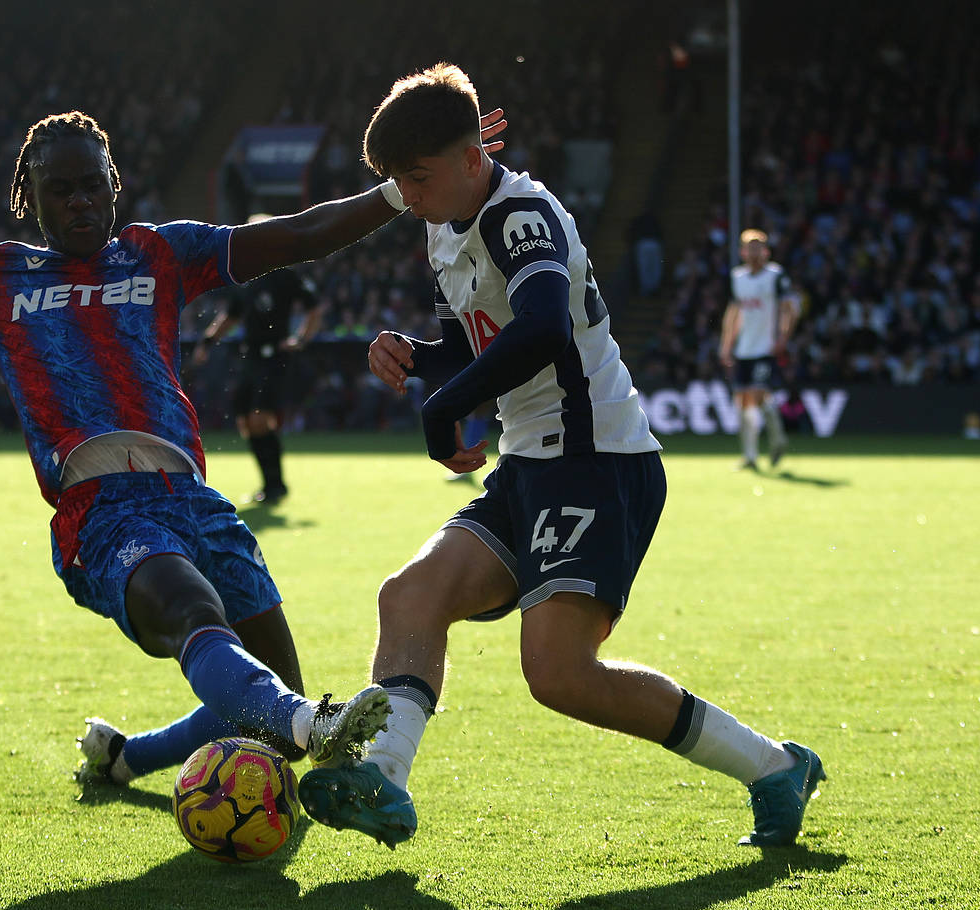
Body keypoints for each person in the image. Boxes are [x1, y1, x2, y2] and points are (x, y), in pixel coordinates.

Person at [0, 109, 497, 786]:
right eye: (59, 189)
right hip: (99, 509)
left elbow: (297, 234)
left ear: (115, 187)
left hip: (194, 501)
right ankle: (313, 718)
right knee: (196, 615)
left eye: (91, 186)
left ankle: (129, 757)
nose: (78, 202)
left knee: (264, 712)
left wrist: (399, 192)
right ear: (28, 198)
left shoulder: (160, 254)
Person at [296, 64, 825, 850]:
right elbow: (486, 336)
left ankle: (774, 766)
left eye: (418, 176)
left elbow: (543, 326)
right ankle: (385, 777)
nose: (407, 195)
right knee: (409, 596)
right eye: (397, 181)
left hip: (597, 458)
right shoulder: (446, 224)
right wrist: (421, 356)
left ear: (472, 157)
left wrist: (445, 406)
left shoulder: (521, 214)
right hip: (532, 462)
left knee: (560, 675)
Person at [191, 240, 324, 506]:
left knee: (260, 418)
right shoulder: (245, 279)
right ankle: (269, 484)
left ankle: (276, 485)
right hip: (249, 357)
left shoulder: (284, 276)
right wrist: (207, 341)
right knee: (245, 423)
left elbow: (315, 307)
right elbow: (230, 316)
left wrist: (300, 339)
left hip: (273, 356)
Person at [718, 229, 798, 469]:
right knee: (742, 401)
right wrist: (726, 345)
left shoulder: (775, 276)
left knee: (757, 394)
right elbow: (733, 314)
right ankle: (751, 455)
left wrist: (783, 337)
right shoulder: (737, 278)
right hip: (744, 349)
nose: (753, 251)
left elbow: (788, 308)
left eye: (758, 246)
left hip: (765, 347)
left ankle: (778, 439)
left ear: (766, 251)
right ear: (742, 251)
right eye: (749, 246)